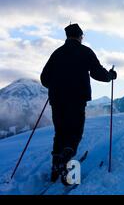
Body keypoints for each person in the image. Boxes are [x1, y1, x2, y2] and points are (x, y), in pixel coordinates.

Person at [40, 23, 117, 183]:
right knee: (74, 132)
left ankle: (56, 168)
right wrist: (110, 76)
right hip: (77, 98)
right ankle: (66, 165)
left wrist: (55, 85)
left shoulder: (57, 53)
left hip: (57, 99)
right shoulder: (85, 51)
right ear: (80, 36)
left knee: (60, 132)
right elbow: (97, 72)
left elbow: (44, 78)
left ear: (67, 36)